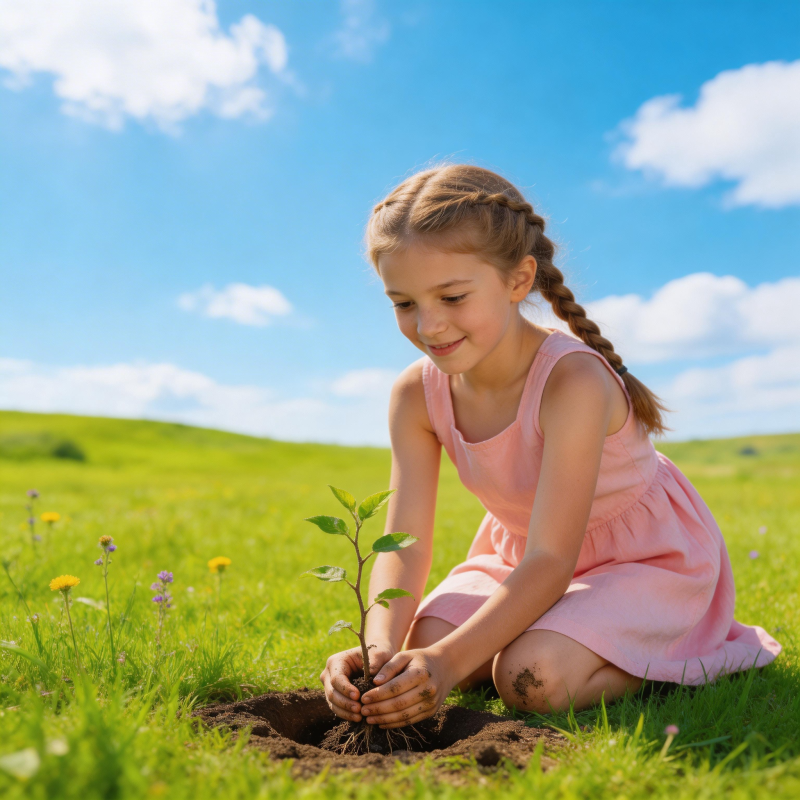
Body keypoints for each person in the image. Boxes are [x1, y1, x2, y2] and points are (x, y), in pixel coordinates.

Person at [320, 163, 781, 731]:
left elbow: (553, 560)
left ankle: (688, 657)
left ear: (518, 281)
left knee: (528, 678)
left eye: (453, 296)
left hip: (640, 560)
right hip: (517, 556)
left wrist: (447, 664)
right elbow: (404, 542)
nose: (430, 324)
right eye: (404, 303)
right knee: (421, 643)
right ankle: (535, 638)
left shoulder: (572, 382)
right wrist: (379, 648)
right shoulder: (416, 393)